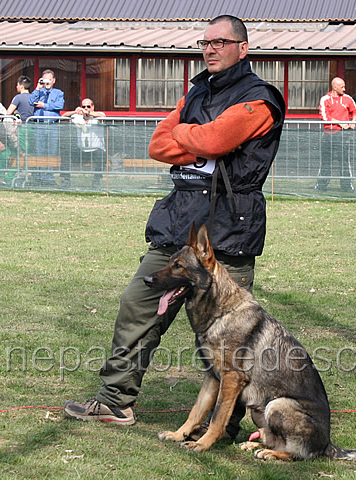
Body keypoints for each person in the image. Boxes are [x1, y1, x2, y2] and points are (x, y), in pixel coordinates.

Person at [64, 15, 285, 440]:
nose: (211, 48)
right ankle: (115, 402)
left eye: (221, 42)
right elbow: (157, 145)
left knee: (227, 338)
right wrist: (195, 137)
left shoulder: (260, 98)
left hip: (226, 235)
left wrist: (189, 136)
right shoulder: (197, 91)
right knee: (137, 304)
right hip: (177, 226)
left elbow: (215, 141)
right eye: (206, 42)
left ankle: (228, 427)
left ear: (243, 48)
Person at [316, 77, 356, 192]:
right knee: (326, 161)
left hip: (343, 135)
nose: (344, 89)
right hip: (328, 134)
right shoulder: (325, 99)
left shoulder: (347, 99)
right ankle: (321, 185)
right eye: (342, 87)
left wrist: (353, 122)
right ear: (335, 87)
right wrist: (340, 123)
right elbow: (325, 117)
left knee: (344, 162)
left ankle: (347, 186)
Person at [29, 69, 64, 185]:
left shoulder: (58, 93)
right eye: (45, 79)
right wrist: (38, 88)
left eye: (49, 79)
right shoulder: (39, 92)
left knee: (51, 152)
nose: (47, 82)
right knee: (39, 151)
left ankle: (49, 178)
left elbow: (59, 105)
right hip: (40, 125)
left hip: (52, 126)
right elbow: (30, 101)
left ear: (54, 80)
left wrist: (44, 105)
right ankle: (39, 177)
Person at [61, 98, 107, 187]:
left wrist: (88, 114)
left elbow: (102, 117)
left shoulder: (98, 115)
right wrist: (75, 112)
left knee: (102, 156)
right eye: (84, 106)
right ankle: (66, 180)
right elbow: (63, 116)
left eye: (88, 106)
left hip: (96, 150)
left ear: (92, 107)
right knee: (66, 153)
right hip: (81, 150)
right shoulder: (77, 117)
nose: (86, 108)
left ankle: (96, 181)